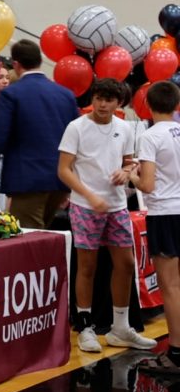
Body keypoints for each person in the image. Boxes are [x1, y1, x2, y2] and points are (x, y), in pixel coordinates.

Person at [58, 77, 155, 353]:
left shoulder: (124, 128)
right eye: (98, 98)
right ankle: (85, 327)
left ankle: (120, 327)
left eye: (108, 100)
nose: (102, 104)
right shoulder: (76, 127)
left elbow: (128, 164)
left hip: (117, 206)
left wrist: (127, 172)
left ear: (118, 103)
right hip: (85, 206)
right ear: (92, 99)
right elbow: (63, 169)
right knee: (87, 266)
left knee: (125, 264)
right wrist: (88, 196)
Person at [0, 39, 79, 228]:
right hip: (60, 179)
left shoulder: (12, 94)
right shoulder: (65, 95)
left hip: (27, 180)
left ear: (16, 65)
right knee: (46, 237)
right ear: (39, 60)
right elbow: (78, 139)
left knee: (29, 242)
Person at [130, 81, 180, 373]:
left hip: (164, 213)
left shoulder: (150, 137)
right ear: (176, 104)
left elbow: (147, 184)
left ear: (147, 104)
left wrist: (132, 175)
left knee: (170, 287)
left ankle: (175, 352)